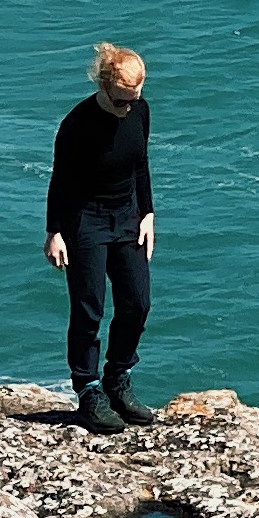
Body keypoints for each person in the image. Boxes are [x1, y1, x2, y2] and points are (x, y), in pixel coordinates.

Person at [45, 42, 156, 433]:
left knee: (138, 303)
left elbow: (140, 163)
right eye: (122, 101)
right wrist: (54, 232)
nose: (129, 108)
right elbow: (60, 180)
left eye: (135, 99)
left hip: (127, 217)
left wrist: (148, 214)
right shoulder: (77, 124)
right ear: (105, 89)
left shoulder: (140, 111)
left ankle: (118, 378)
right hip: (85, 221)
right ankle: (89, 390)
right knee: (89, 308)